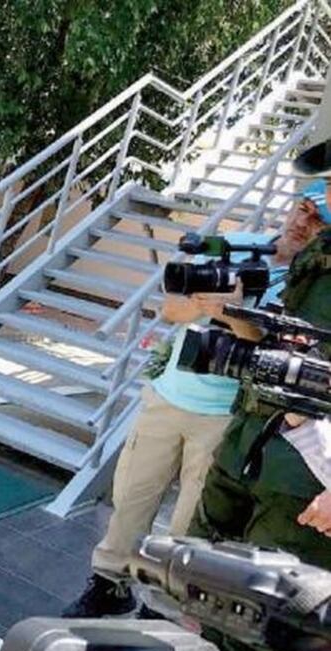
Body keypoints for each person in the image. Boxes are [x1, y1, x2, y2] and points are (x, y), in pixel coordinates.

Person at [61, 179, 328, 618]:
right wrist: (209, 303)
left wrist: (232, 312)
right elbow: (172, 307)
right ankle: (108, 585)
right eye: (300, 208)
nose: (302, 222)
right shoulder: (235, 245)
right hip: (170, 395)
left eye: (317, 218)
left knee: (190, 524)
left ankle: (161, 607)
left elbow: (273, 352)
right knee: (131, 500)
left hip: (225, 414)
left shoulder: (310, 287)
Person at [187, 147, 331, 651]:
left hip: (308, 483)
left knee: (276, 633)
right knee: (213, 596)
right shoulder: (319, 255)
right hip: (252, 448)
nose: (326, 197)